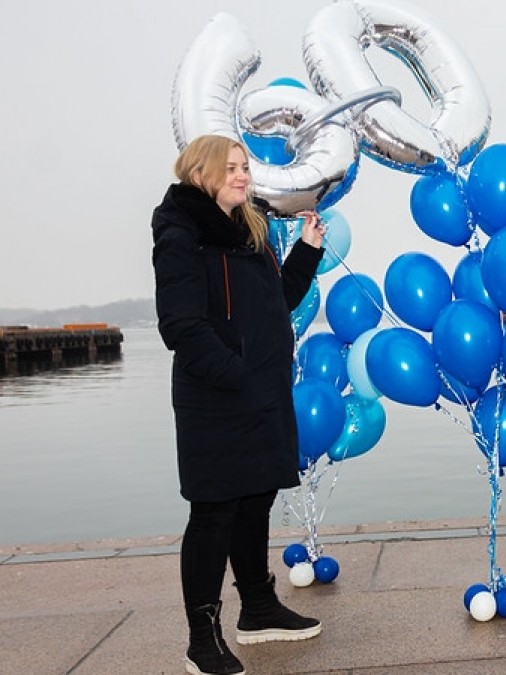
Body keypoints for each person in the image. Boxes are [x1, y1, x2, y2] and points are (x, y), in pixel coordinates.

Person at [152, 134, 327, 675]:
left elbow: (275, 303)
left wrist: (308, 249)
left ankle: (258, 608)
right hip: (217, 399)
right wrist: (238, 377)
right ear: (201, 172)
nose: (242, 176)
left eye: (244, 167)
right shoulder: (181, 232)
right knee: (213, 514)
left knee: (256, 502)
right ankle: (201, 641)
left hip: (262, 395)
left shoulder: (248, 231)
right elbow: (181, 325)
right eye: (231, 167)